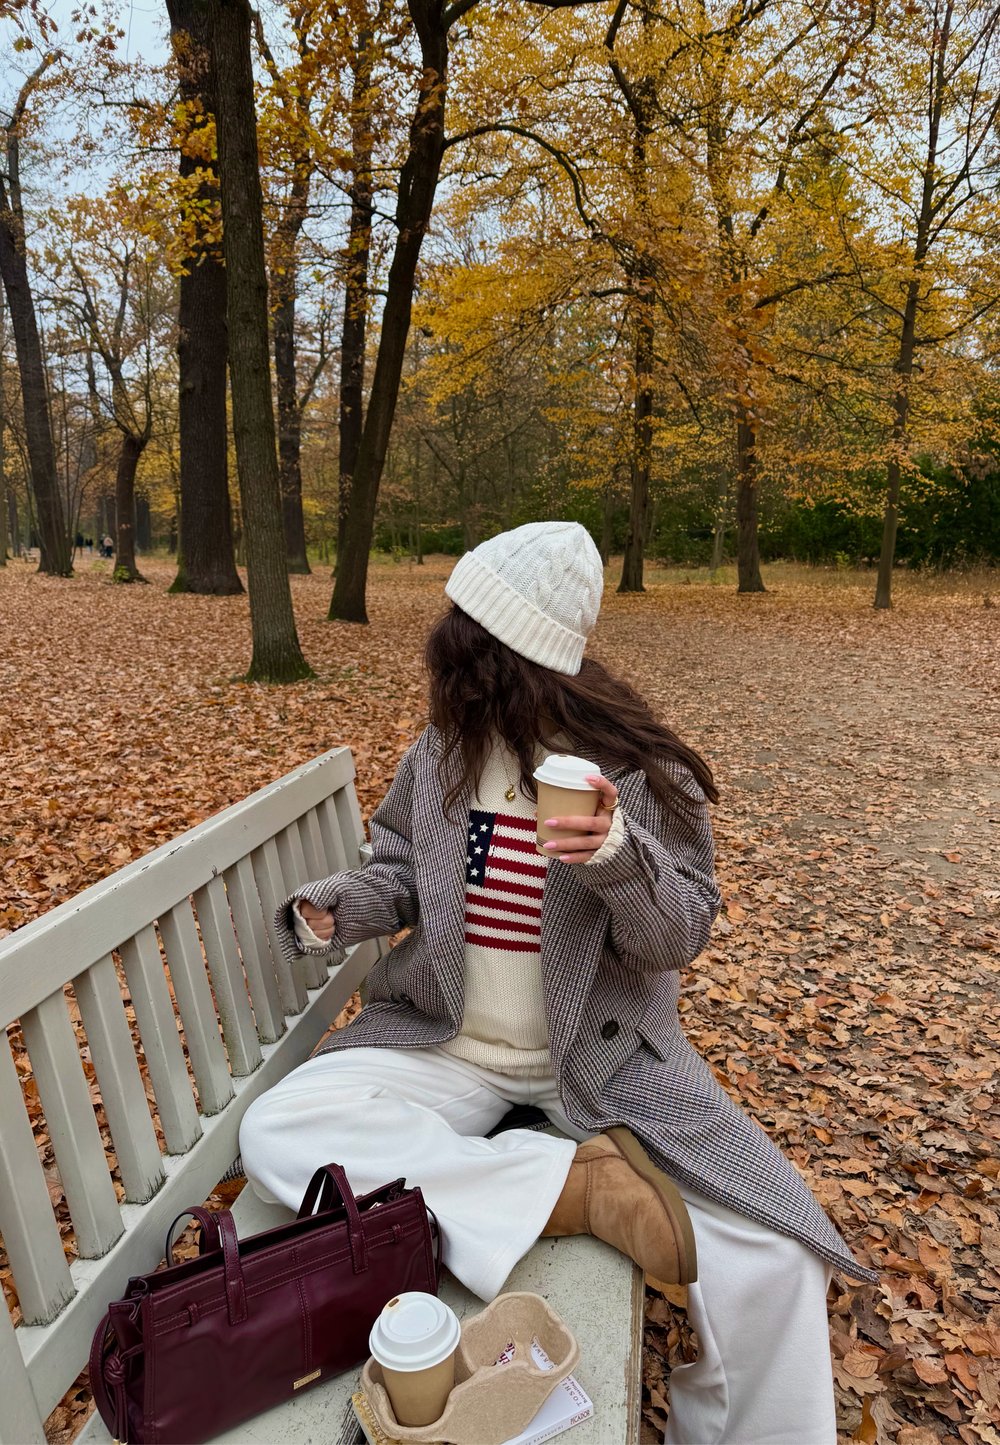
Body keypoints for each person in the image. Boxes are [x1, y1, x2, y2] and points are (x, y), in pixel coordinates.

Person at [240, 521, 875, 1445]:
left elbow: (676, 936)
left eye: (465, 641)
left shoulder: (632, 770)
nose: (444, 657)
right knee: (279, 1129)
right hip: (446, 1042)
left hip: (604, 1063)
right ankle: (572, 1190)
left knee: (779, 1258)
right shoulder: (444, 751)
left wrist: (618, 856)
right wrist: (339, 907)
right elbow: (405, 868)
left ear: (511, 660)